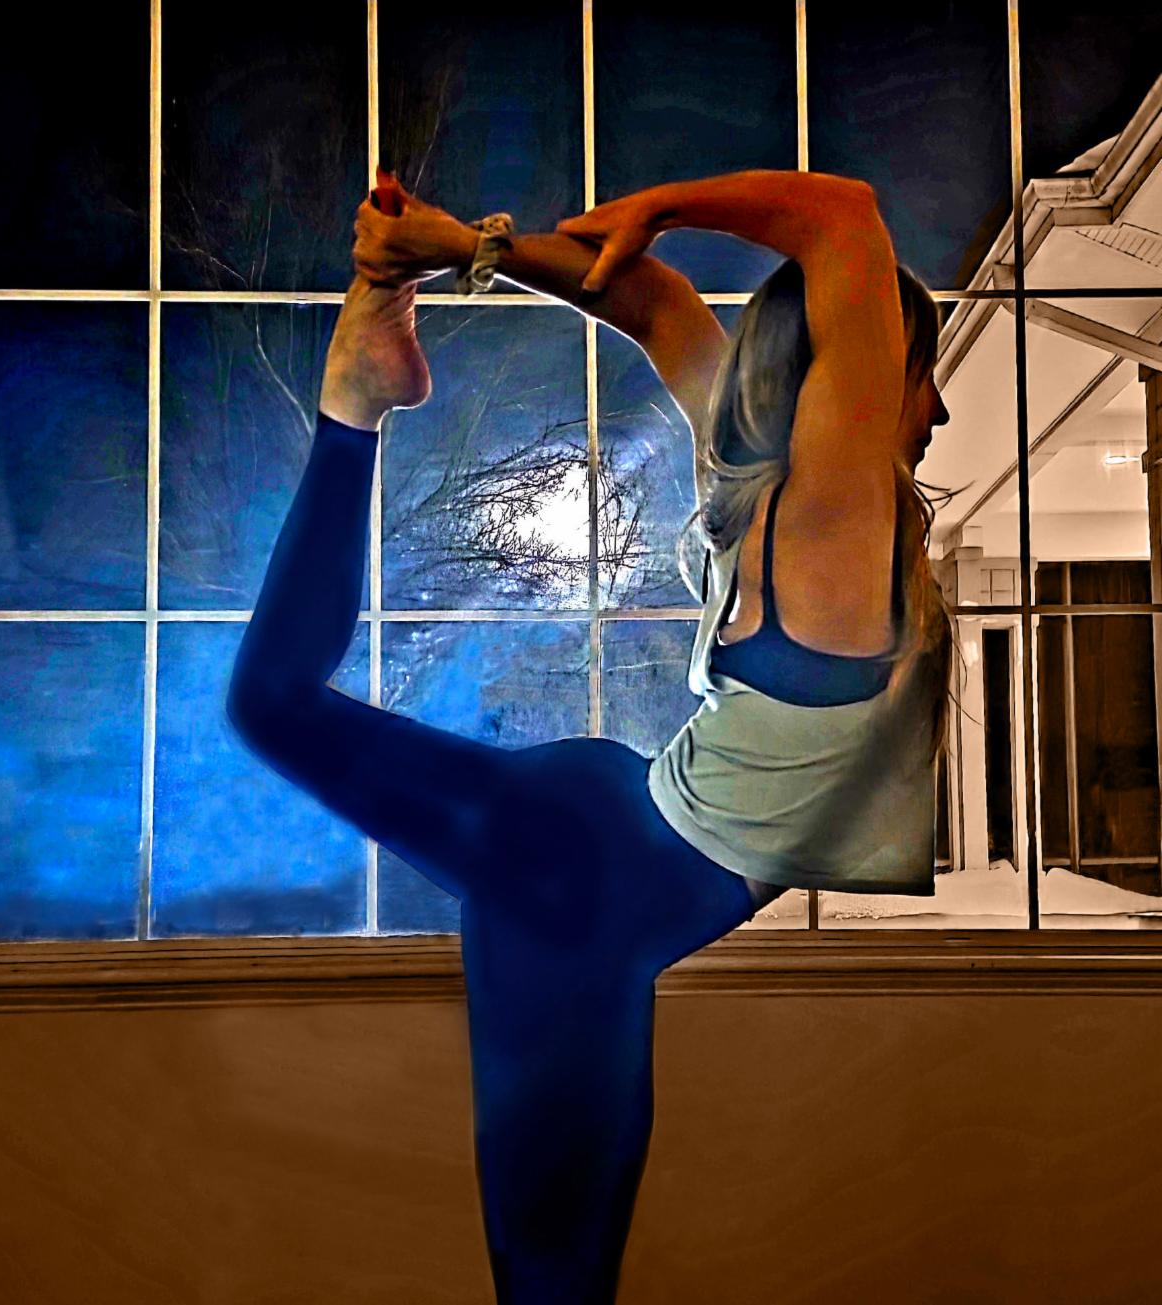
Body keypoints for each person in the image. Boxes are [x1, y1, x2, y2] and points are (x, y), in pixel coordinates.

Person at [225, 167, 956, 1304]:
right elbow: (845, 215)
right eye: (924, 377)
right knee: (553, 1285)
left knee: (558, 1278)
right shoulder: (830, 513)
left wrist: (460, 244)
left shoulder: (756, 474)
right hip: (580, 885)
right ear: (854, 388)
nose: (939, 412)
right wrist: (660, 205)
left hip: (602, 850)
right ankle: (356, 391)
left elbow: (657, 309)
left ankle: (361, 388)